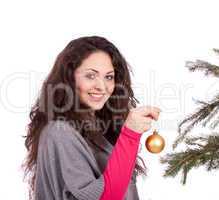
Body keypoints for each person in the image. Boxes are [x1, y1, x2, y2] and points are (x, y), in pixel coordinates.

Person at [22, 36, 160, 200]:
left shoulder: (99, 128)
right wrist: (130, 135)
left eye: (109, 77)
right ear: (69, 78)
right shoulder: (59, 132)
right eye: (90, 76)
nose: (102, 87)